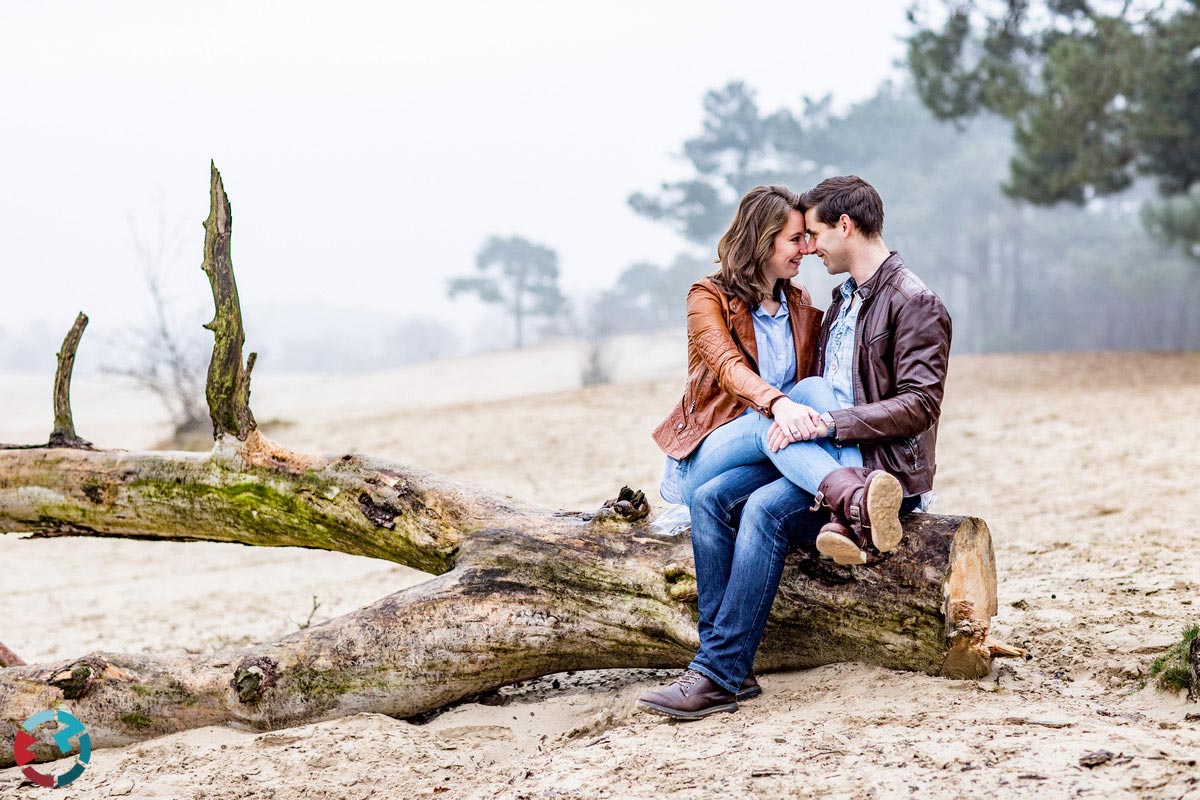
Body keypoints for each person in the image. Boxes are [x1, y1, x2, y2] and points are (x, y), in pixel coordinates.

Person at [638, 175, 952, 719]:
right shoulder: (841, 299)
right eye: (797, 239)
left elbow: (921, 405)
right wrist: (803, 415)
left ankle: (718, 674)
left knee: (762, 501)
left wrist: (825, 420)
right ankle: (723, 666)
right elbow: (738, 369)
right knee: (716, 493)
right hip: (809, 456)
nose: (809, 248)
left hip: (876, 467)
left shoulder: (913, 301)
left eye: (813, 234)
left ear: (844, 226)